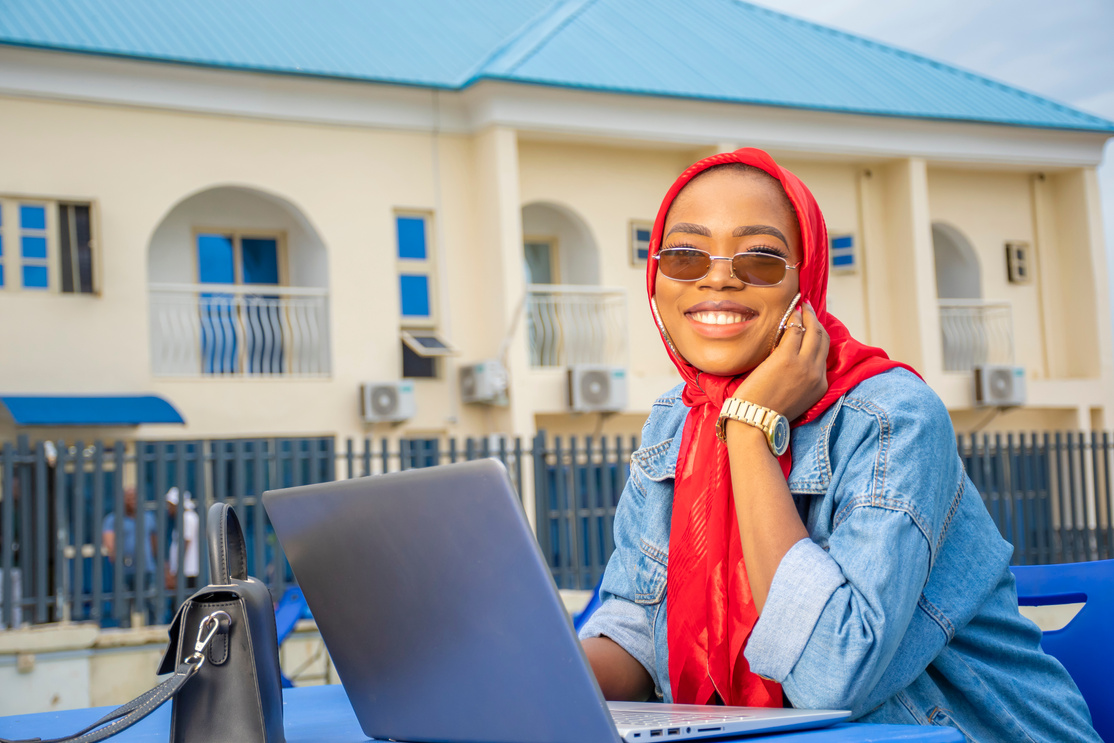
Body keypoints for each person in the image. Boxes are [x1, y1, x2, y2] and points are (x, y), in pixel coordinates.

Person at [578, 148, 1099, 741]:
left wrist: (748, 430)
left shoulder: (892, 417)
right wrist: (537, 671)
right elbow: (640, 630)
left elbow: (832, 674)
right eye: (685, 254)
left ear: (807, 280)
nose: (717, 277)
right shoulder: (674, 423)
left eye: (761, 260)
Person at [102, 485, 157, 626]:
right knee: (125, 606)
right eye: (128, 498)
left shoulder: (148, 517)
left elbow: (154, 542)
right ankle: (125, 631)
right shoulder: (112, 519)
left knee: (151, 603)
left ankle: (153, 632)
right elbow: (109, 542)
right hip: (125, 570)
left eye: (134, 497)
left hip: (146, 568)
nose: (132, 501)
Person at [164, 487, 200, 593]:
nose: (168, 507)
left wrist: (176, 572)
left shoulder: (187, 517)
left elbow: (185, 544)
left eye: (170, 504)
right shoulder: (184, 517)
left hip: (187, 571)